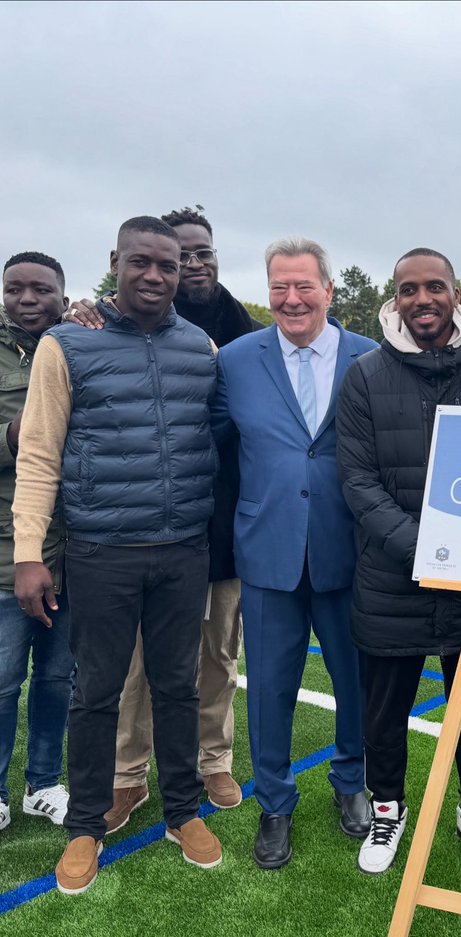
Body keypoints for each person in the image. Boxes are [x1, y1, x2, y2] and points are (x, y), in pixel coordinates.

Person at [13, 216, 223, 894]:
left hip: (184, 549)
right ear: (115, 262)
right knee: (96, 691)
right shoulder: (66, 343)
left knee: (177, 686)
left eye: (167, 264)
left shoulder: (202, 347)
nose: (156, 275)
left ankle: (183, 812)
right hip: (101, 551)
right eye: (142, 263)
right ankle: (84, 825)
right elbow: (40, 454)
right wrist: (27, 553)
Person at [67, 207, 263, 834]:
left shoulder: (240, 329)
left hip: (220, 525)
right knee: (127, 672)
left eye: (199, 252)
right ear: (125, 264)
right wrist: (83, 309)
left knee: (212, 660)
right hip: (130, 529)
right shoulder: (100, 323)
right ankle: (127, 776)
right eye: (176, 254)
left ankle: (213, 762)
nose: (189, 263)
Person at [337, 248, 461, 874]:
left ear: (455, 293)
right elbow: (358, 481)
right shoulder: (364, 375)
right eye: (408, 289)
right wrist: (424, 548)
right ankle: (388, 809)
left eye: (434, 287)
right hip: (391, 577)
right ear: (394, 299)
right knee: (383, 715)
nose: (422, 300)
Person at [211, 237, 375, 869]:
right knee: (271, 688)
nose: (291, 298)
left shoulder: (369, 357)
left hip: (348, 549)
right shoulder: (235, 360)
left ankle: (351, 782)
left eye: (304, 286)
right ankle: (275, 803)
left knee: (354, 680)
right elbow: (213, 441)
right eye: (279, 286)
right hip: (267, 547)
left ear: (329, 291)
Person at [1, 252, 73, 832]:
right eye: (15, 289)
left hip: (74, 550)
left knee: (58, 677)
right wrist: (17, 435)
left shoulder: (80, 342)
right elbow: (39, 443)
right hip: (8, 551)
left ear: (62, 293)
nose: (28, 300)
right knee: (2, 680)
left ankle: (43, 783)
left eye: (41, 290)